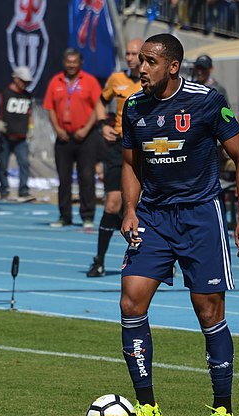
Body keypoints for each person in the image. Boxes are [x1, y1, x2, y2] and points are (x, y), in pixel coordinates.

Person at [120, 33, 239, 416]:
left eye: (149, 61)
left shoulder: (207, 100)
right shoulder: (133, 105)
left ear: (172, 66)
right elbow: (130, 164)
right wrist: (130, 209)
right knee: (131, 301)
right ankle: (147, 406)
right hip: (153, 216)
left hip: (200, 216)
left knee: (209, 310)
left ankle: (223, 409)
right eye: (139, 61)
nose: (141, 68)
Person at [87, 38, 143, 277]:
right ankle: (99, 260)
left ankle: (155, 257)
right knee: (112, 203)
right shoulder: (116, 79)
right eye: (128, 53)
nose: (130, 57)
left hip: (144, 149)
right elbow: (101, 101)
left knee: (142, 206)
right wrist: (103, 124)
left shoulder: (151, 81)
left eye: (134, 53)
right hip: (119, 145)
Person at [43, 48, 101, 229]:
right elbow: (49, 108)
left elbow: (98, 107)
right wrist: (57, 129)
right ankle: (64, 216)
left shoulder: (90, 81)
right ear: (64, 63)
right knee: (64, 179)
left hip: (85, 137)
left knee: (86, 177)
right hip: (63, 137)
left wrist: (86, 129)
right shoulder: (56, 81)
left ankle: (88, 216)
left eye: (74, 62)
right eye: (68, 62)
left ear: (80, 63)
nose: (71, 65)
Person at [0, 66, 35, 202]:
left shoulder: (27, 96)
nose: (25, 84)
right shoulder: (3, 93)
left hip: (21, 137)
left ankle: (24, 191)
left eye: (27, 82)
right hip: (5, 136)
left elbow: (30, 113)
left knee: (24, 163)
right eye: (23, 81)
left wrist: (31, 128)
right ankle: (4, 190)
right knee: (3, 165)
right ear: (16, 78)